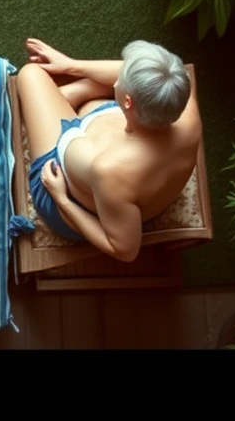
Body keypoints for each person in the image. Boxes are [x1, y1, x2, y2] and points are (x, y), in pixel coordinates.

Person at [19, 36, 202, 263]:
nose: (116, 80)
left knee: (30, 75)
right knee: (134, 85)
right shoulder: (186, 107)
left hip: (69, 190)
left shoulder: (111, 170)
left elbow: (125, 250)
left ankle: (68, 99)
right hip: (127, 170)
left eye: (120, 81)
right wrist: (71, 65)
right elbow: (156, 77)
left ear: (127, 102)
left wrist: (61, 198)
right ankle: (73, 98)